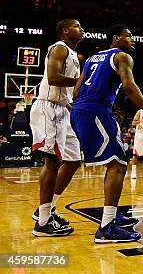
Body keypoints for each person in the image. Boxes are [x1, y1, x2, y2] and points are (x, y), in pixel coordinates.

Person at [71, 24, 143, 243]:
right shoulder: (122, 57)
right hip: (96, 109)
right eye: (129, 35)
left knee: (115, 163)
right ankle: (107, 227)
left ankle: (113, 216)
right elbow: (129, 87)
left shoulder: (92, 58)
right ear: (116, 39)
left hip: (80, 109)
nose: (133, 39)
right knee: (118, 165)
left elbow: (76, 89)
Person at [31, 19, 84, 237]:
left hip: (63, 109)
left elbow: (65, 93)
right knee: (52, 161)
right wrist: (82, 81)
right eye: (77, 26)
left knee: (73, 161)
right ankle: (43, 224)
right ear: (64, 31)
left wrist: (74, 108)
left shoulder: (72, 55)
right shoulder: (59, 48)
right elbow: (52, 78)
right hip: (48, 108)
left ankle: (46, 208)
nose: (81, 29)